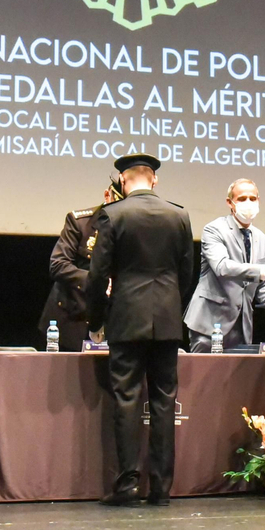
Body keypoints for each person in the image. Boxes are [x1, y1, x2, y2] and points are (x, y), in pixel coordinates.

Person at [85, 153, 196, 505]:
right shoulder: (179, 215)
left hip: (127, 318)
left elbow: (98, 275)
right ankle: (161, 488)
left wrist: (96, 320)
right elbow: (187, 273)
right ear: (154, 180)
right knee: (164, 401)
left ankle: (127, 484)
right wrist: (170, 307)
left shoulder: (113, 214)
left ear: (121, 181)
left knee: (127, 399)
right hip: (166, 319)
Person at [185, 177, 265, 352]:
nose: (248, 203)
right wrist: (264, 270)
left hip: (242, 328)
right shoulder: (214, 229)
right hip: (209, 325)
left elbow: (261, 283)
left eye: (252, 198)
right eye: (242, 199)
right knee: (202, 378)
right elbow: (222, 267)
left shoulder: (262, 239)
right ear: (230, 203)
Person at [40, 176, 123, 352]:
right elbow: (58, 264)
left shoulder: (130, 226)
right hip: (72, 317)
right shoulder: (80, 222)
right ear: (107, 195)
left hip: (113, 319)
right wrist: (96, 280)